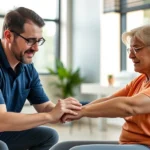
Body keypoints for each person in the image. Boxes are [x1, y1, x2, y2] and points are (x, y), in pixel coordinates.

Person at [0, 7, 82, 150]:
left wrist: (64, 110)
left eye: (39, 41)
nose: (37, 48)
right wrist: (50, 116)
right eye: (30, 41)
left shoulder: (27, 67)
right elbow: (1, 120)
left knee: (49, 136)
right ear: (8, 36)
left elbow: (44, 107)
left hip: (3, 131)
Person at [59, 25, 150, 150]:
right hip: (130, 144)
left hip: (146, 146)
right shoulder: (140, 80)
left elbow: (129, 106)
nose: (130, 56)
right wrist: (77, 110)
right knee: (62, 147)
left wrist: (83, 112)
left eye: (137, 49)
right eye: (130, 49)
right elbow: (109, 99)